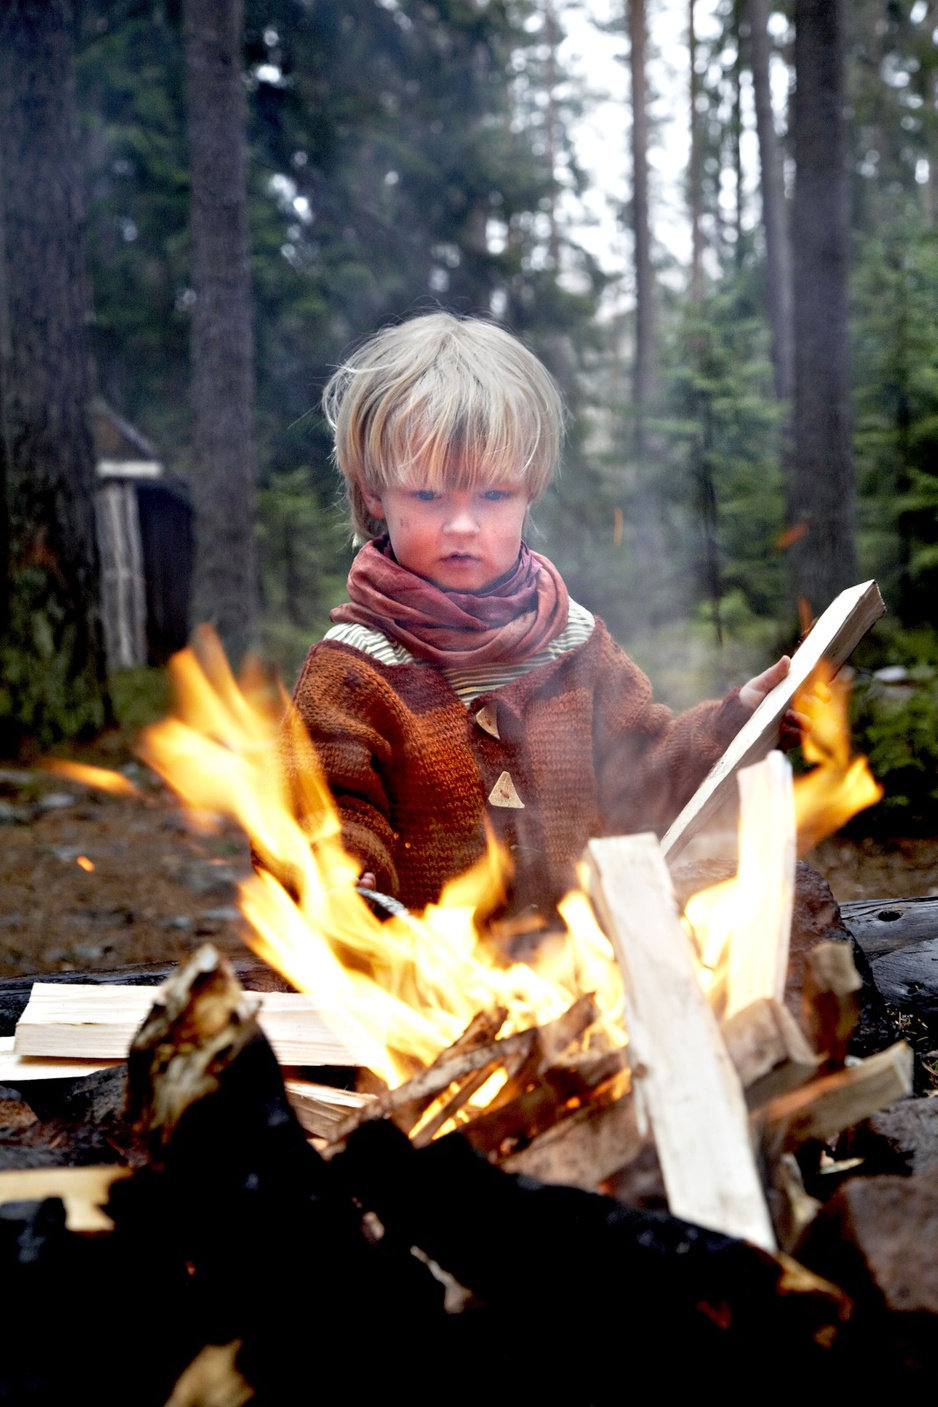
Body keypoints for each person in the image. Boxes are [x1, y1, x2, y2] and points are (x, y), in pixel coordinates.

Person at [284, 311, 794, 922]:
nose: (463, 525)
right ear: (374, 492)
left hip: (578, 990)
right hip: (428, 998)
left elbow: (644, 772)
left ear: (531, 489)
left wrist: (738, 724)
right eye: (428, 495)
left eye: (493, 495)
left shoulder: (573, 641)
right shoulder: (355, 668)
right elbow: (326, 806)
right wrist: (340, 868)